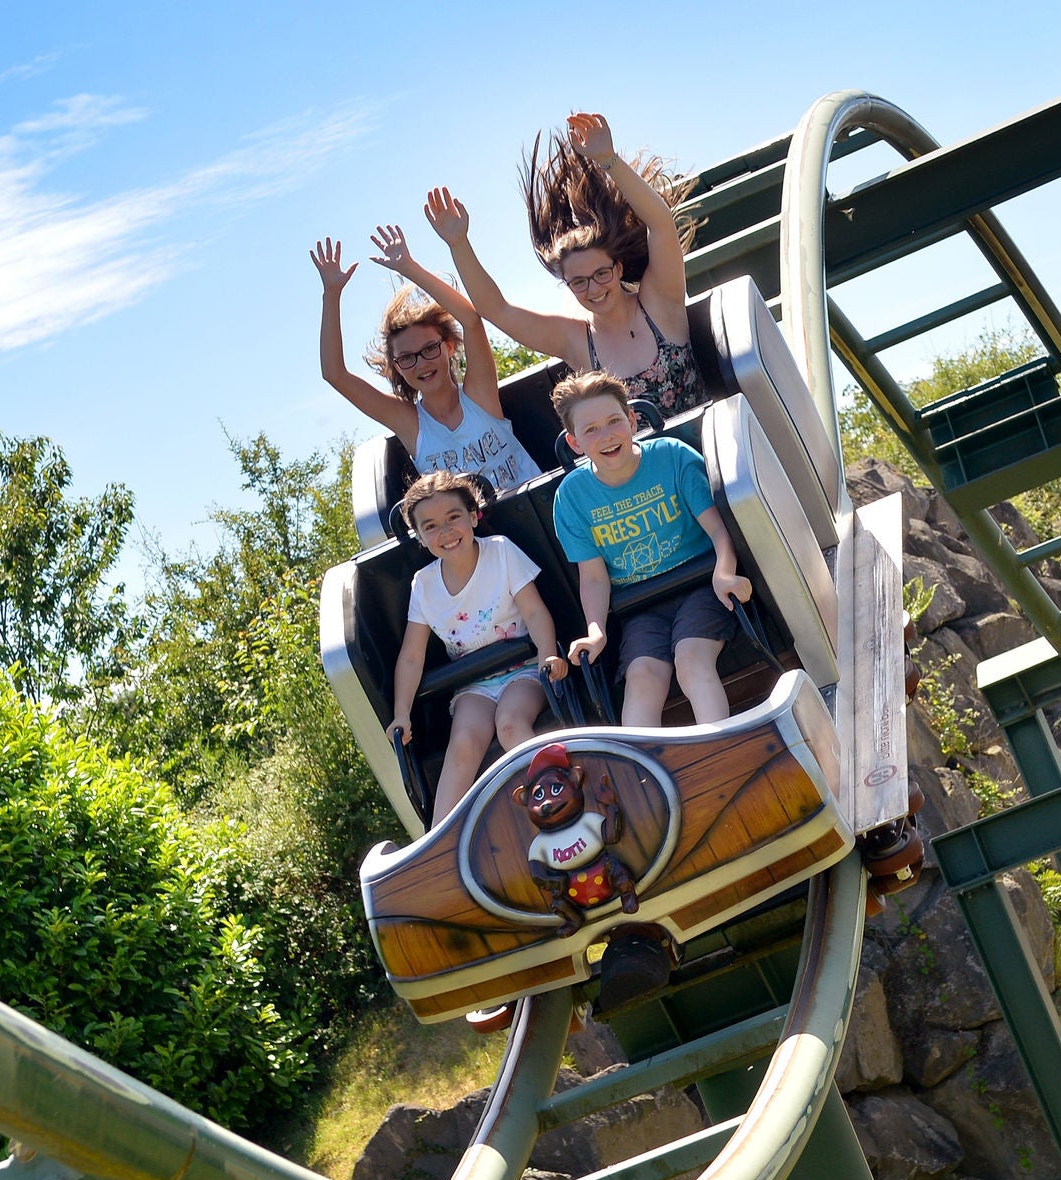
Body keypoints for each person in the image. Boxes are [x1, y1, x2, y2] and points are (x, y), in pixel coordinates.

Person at [423, 112, 706, 419]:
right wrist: (459, 244)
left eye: (601, 274)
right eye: (579, 282)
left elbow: (661, 225)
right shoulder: (576, 340)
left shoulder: (659, 302)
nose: (593, 288)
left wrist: (608, 160)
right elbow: (496, 310)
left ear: (619, 268)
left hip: (709, 445)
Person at [550, 372, 751, 729]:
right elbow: (594, 577)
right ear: (575, 442)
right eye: (591, 429)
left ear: (631, 420)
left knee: (690, 659)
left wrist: (724, 572)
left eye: (614, 421)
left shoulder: (672, 457)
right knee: (641, 677)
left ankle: (721, 742)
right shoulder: (572, 496)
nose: (607, 435)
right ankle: (647, 777)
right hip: (641, 607)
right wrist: (596, 630)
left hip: (700, 586)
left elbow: (718, 530)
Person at [387, 470, 569, 828]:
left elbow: (534, 611)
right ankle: (439, 838)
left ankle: (557, 797)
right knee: (464, 744)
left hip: (523, 670)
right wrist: (402, 713)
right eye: (431, 526)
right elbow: (411, 657)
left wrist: (548, 653)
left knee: (510, 723)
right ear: (421, 538)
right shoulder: (423, 585)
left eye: (453, 518)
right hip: (474, 686)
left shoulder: (499, 552)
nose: (445, 532)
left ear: (473, 516)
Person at [310, 228, 540, 495]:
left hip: (533, 512)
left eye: (429, 348)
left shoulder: (479, 397)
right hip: (468, 535)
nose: (421, 363)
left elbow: (471, 320)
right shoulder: (411, 424)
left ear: (449, 346)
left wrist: (409, 267)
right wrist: (331, 293)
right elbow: (334, 374)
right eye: (407, 358)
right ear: (397, 367)